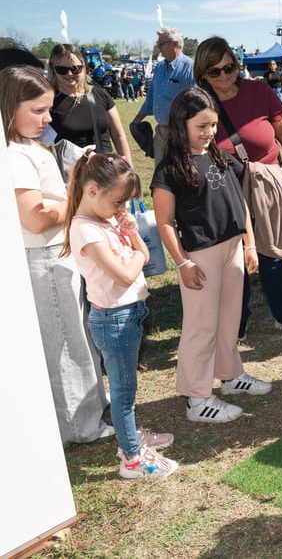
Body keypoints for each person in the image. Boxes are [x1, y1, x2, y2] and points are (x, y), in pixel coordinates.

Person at [1, 64, 111, 443]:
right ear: (10, 105)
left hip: (57, 255)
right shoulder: (15, 153)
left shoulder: (31, 145)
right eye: (37, 110)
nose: (47, 118)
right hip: (45, 259)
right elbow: (35, 217)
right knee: (66, 341)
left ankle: (91, 405)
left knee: (79, 335)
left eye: (48, 110)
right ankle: (78, 425)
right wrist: (81, 206)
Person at [151, 87, 272, 422]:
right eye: (201, 126)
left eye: (213, 125)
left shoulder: (220, 155)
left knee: (229, 319)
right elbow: (164, 222)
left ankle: (231, 376)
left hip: (232, 247)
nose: (209, 133)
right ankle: (196, 398)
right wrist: (183, 262)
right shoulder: (170, 170)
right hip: (199, 256)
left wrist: (248, 244)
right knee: (201, 326)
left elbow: (240, 202)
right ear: (181, 125)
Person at [63, 152, 178, 478]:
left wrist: (129, 232)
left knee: (126, 387)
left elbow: (138, 255)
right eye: (118, 203)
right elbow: (125, 274)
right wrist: (139, 251)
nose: (122, 210)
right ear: (93, 190)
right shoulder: (86, 230)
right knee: (123, 394)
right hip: (115, 319)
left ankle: (131, 438)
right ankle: (132, 459)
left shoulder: (104, 219)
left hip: (127, 314)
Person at [193, 37, 282, 339]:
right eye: (214, 71)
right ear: (203, 73)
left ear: (237, 63)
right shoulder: (198, 103)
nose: (224, 76)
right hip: (225, 192)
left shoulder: (258, 90)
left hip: (268, 184)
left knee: (270, 254)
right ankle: (237, 319)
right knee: (234, 257)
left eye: (228, 67)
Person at [47, 44, 133, 163]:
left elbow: (119, 136)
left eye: (75, 68)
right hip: (72, 175)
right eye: (62, 69)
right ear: (53, 69)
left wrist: (129, 168)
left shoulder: (100, 95)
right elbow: (43, 145)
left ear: (83, 67)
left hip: (107, 170)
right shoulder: (48, 102)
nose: (69, 74)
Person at [132, 28, 194, 163]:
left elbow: (198, 105)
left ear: (176, 44)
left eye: (161, 43)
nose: (158, 46)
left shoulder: (190, 68)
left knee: (182, 177)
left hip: (183, 134)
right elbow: (151, 99)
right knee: (160, 178)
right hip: (161, 133)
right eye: (158, 43)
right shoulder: (159, 67)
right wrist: (136, 121)